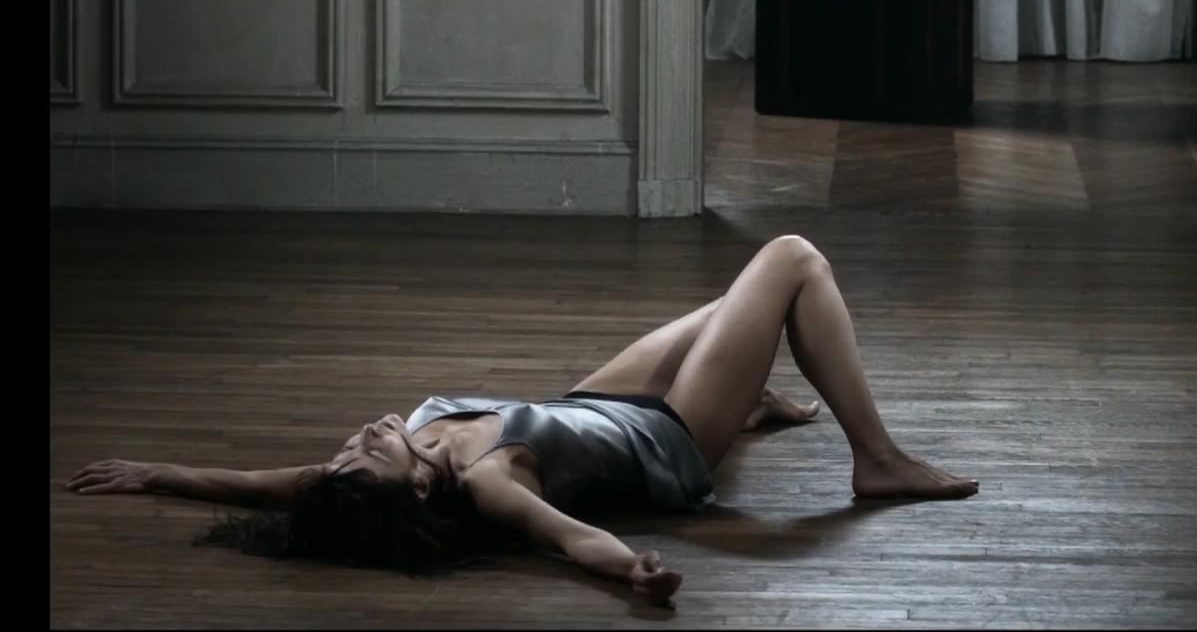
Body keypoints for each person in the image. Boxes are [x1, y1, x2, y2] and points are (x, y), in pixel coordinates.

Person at [67, 235, 979, 607]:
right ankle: (876, 458)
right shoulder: (488, 481)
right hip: (663, 438)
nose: (359, 439)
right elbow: (569, 537)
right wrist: (634, 571)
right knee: (789, 261)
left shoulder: (387, 464)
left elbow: (279, 485)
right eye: (368, 455)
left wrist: (158, 474)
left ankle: (748, 398)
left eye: (348, 450)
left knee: (731, 306)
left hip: (586, 406)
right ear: (416, 490)